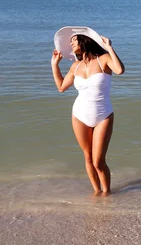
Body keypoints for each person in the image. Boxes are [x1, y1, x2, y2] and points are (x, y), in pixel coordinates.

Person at [51, 30, 125, 195]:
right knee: (88, 158)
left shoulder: (104, 59)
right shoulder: (75, 66)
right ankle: (97, 192)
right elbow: (61, 87)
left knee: (98, 161)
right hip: (79, 114)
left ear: (85, 41)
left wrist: (109, 48)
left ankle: (107, 194)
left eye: (74, 41)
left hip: (103, 115)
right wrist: (54, 65)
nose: (71, 44)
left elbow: (119, 70)